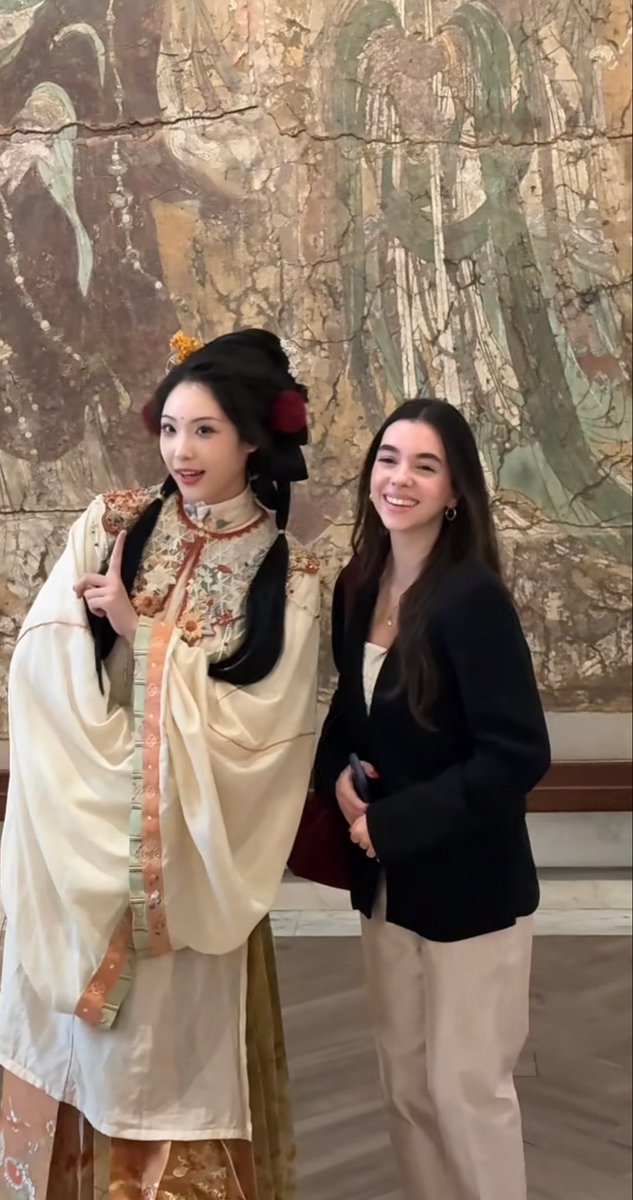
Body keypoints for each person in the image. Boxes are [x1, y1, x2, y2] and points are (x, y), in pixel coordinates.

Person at [0, 329, 320, 1199]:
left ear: (255, 437)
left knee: (159, 1064)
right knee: (70, 1051)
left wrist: (147, 641)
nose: (181, 451)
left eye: (206, 431)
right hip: (78, 844)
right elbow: (41, 664)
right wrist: (108, 768)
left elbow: (264, 734)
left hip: (188, 858)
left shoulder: (287, 576)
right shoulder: (107, 523)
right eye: (171, 428)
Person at [314, 397, 551, 1200]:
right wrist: (339, 782)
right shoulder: (359, 585)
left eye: (423, 465)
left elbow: (517, 754)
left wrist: (394, 823)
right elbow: (350, 717)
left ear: (454, 492)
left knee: (465, 1092)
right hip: (388, 889)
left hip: (468, 893)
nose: (399, 478)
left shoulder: (471, 598)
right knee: (406, 1089)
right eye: (387, 459)